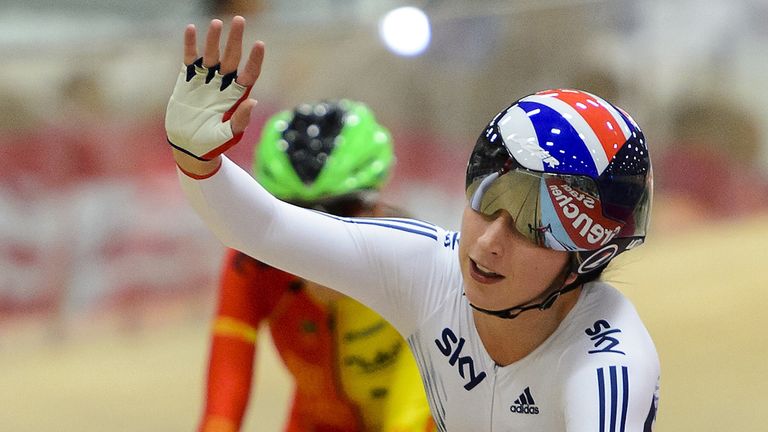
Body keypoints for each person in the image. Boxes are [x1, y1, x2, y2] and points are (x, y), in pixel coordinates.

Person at [167, 17, 660, 431]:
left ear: (589, 256)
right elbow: (266, 228)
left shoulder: (608, 363)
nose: (487, 243)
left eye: (535, 228)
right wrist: (198, 163)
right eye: (487, 200)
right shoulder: (427, 267)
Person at [197, 98, 436, 432]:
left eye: (343, 210)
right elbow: (222, 405)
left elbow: (409, 419)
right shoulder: (252, 265)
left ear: (378, 202)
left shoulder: (421, 263)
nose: (321, 239)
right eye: (296, 216)